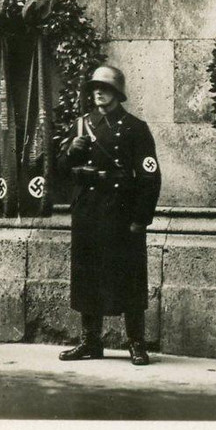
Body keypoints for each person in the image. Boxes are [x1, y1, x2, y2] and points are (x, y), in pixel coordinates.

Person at [58, 64, 161, 367]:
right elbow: (60, 171)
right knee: (87, 274)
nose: (98, 93)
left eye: (105, 88)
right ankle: (90, 341)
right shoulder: (80, 126)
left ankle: (136, 343)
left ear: (117, 93)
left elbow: (149, 177)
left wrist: (141, 219)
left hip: (120, 212)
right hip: (88, 211)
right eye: (94, 88)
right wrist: (71, 153)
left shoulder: (135, 128)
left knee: (129, 276)